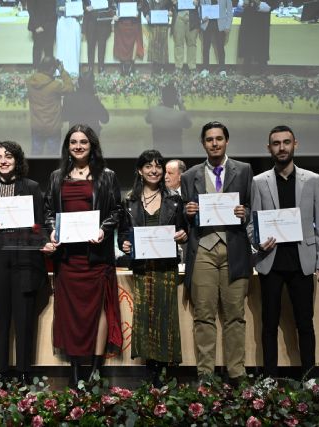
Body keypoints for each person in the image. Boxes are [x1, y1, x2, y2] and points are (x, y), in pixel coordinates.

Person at [248, 125, 319, 378]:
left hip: (302, 262)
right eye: (276, 143)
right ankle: (270, 378)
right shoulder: (259, 181)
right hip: (270, 262)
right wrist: (258, 242)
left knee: (305, 324)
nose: (281, 147)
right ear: (269, 147)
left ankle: (309, 377)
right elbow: (252, 224)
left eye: (286, 142)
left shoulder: (312, 179)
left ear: (295, 144)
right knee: (269, 325)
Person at [44, 124, 123, 387]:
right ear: (67, 146)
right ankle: (77, 369)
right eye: (73, 142)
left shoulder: (107, 176)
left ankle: (96, 369)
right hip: (68, 258)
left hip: (95, 256)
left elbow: (116, 211)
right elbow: (47, 212)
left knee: (98, 309)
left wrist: (103, 230)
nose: (78, 146)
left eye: (84, 142)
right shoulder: (56, 176)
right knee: (71, 313)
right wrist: (52, 230)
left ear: (92, 146)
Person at [180, 121, 252, 386]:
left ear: (226, 141)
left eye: (219, 139)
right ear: (203, 144)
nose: (214, 143)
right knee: (204, 315)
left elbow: (252, 209)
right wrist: (187, 214)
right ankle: (206, 373)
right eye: (209, 139)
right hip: (203, 250)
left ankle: (237, 372)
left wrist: (245, 214)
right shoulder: (190, 176)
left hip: (234, 249)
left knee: (235, 315)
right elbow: (185, 219)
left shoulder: (244, 171)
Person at [0, 141, 51, 385]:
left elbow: (40, 222)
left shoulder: (31, 187)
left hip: (25, 257)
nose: (3, 161)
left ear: (17, 160)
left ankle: (25, 371)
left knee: (24, 317)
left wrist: (44, 240)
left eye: (8, 156)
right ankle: (0, 370)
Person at [118, 149, 188, 385]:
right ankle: (150, 370)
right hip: (142, 268)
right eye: (148, 166)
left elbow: (184, 231)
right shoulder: (129, 200)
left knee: (165, 316)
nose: (154, 170)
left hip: (165, 267)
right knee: (145, 317)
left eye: (158, 165)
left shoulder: (175, 200)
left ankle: (164, 371)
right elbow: (123, 235)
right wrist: (124, 244)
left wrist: (183, 235)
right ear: (140, 170)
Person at [26, 56, 75, 156]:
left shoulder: (30, 82)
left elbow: (38, 76)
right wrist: (62, 71)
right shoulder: (55, 86)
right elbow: (70, 88)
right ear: (52, 68)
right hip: (53, 127)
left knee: (35, 155)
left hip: (36, 126)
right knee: (53, 157)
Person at [145, 84, 192, 154]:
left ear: (162, 97)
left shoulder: (153, 111)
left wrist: (160, 104)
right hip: (176, 154)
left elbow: (147, 120)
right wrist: (180, 104)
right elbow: (188, 125)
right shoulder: (181, 114)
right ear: (175, 98)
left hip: (158, 154)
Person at [62, 71, 110, 136]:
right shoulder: (94, 100)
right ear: (92, 84)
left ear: (79, 83)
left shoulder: (70, 98)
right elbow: (105, 119)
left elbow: (64, 118)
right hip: (91, 136)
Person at [237, 0, 271, 75]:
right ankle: (246, 70)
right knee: (247, 45)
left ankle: (262, 70)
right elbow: (239, 5)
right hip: (248, 21)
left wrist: (258, 2)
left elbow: (269, 7)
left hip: (261, 23)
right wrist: (243, 3)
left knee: (261, 46)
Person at [199, 0, 233, 75]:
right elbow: (200, 8)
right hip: (207, 23)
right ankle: (205, 68)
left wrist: (227, 26)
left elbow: (230, 11)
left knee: (220, 47)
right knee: (205, 47)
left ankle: (222, 69)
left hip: (220, 24)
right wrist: (201, 18)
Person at [83, 0, 115, 74]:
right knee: (90, 45)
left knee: (102, 45)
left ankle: (101, 67)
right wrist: (85, 8)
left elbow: (111, 5)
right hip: (90, 20)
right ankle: (90, 68)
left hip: (103, 20)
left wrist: (113, 13)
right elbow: (81, 4)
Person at [113, 0, 144, 75]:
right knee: (121, 45)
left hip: (133, 23)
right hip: (121, 23)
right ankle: (123, 67)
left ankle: (131, 67)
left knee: (133, 45)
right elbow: (112, 4)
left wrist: (138, 11)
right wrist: (114, 14)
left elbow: (142, 4)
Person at [142, 0, 173, 74]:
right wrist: (146, 15)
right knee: (153, 44)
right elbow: (144, 7)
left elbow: (171, 6)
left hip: (163, 24)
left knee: (163, 45)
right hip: (153, 24)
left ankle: (163, 67)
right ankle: (155, 67)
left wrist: (170, 11)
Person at [171, 0, 200, 73]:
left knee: (192, 43)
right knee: (178, 43)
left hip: (192, 16)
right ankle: (178, 67)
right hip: (178, 15)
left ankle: (192, 67)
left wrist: (198, 1)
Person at [56, 0, 82, 76]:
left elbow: (81, 10)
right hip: (62, 21)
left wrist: (75, 10)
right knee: (62, 47)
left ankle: (74, 71)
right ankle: (60, 71)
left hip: (74, 21)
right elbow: (55, 9)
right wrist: (61, 9)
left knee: (73, 47)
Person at [28, 0, 58, 66]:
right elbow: (30, 9)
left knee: (49, 50)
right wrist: (37, 26)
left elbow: (54, 10)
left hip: (50, 25)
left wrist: (44, 26)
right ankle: (36, 70)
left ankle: (48, 71)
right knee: (37, 50)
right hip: (37, 26)